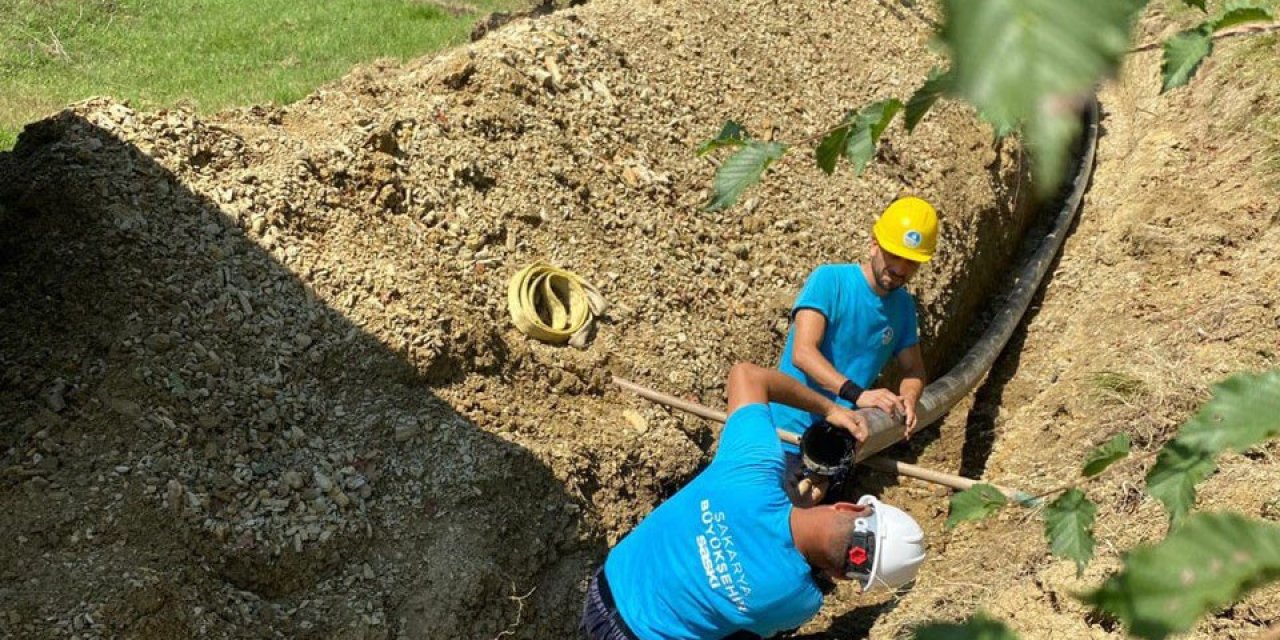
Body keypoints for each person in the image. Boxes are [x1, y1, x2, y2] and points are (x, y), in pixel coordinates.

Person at [580, 363, 926, 640]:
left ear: (847, 507)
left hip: (605, 589)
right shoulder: (799, 601)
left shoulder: (754, 469)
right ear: (839, 574)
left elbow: (746, 375)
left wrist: (831, 408)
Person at [771, 196, 937, 505]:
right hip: (784, 437)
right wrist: (859, 395)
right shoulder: (830, 280)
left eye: (911, 262)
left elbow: (913, 369)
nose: (900, 269)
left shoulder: (902, 308)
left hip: (840, 446)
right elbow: (803, 353)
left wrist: (909, 399)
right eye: (894, 255)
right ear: (874, 243)